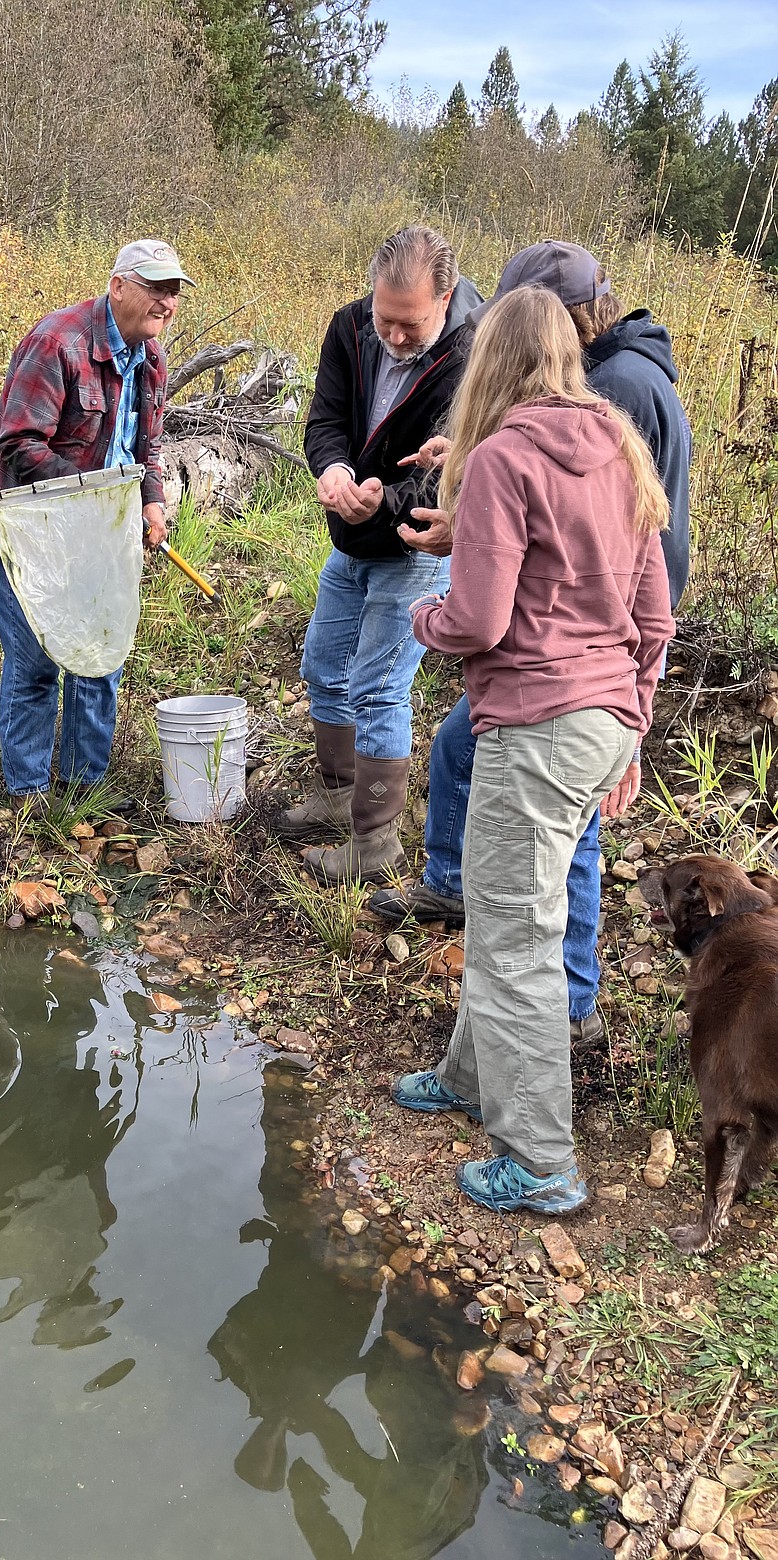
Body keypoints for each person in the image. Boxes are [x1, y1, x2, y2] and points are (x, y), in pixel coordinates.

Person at [393, 286, 673, 1215]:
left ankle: (541, 1160)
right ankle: (472, 1078)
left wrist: (426, 614)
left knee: (516, 936)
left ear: (494, 363)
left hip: (539, 724)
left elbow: (478, 618)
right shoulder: (621, 449)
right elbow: (651, 618)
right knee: (506, 906)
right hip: (597, 722)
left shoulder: (506, 455)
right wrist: (631, 729)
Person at [371, 241, 692, 1046]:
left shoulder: (609, 396)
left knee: (554, 862)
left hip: (575, 660)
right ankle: (457, 899)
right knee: (457, 754)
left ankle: (564, 1019)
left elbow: (510, 588)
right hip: (601, 649)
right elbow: (560, 522)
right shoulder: (604, 403)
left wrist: (438, 601)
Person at [271, 225, 482, 885]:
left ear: (444, 300)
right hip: (352, 539)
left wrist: (381, 498)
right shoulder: (349, 327)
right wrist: (332, 470)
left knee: (377, 687)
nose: (390, 335)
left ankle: (376, 841)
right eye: (382, 318)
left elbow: (455, 467)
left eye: (408, 324)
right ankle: (338, 793)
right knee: (323, 665)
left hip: (417, 546)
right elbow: (325, 417)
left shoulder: (474, 354)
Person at [0, 238, 195, 806]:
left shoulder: (152, 359)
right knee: (36, 664)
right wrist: (100, 500)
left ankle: (86, 786)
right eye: (155, 288)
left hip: (100, 531)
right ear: (118, 287)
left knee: (100, 653)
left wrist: (150, 501)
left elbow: (148, 445)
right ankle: (28, 795)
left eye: (174, 292)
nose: (166, 303)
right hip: (32, 527)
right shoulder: (58, 342)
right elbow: (20, 444)